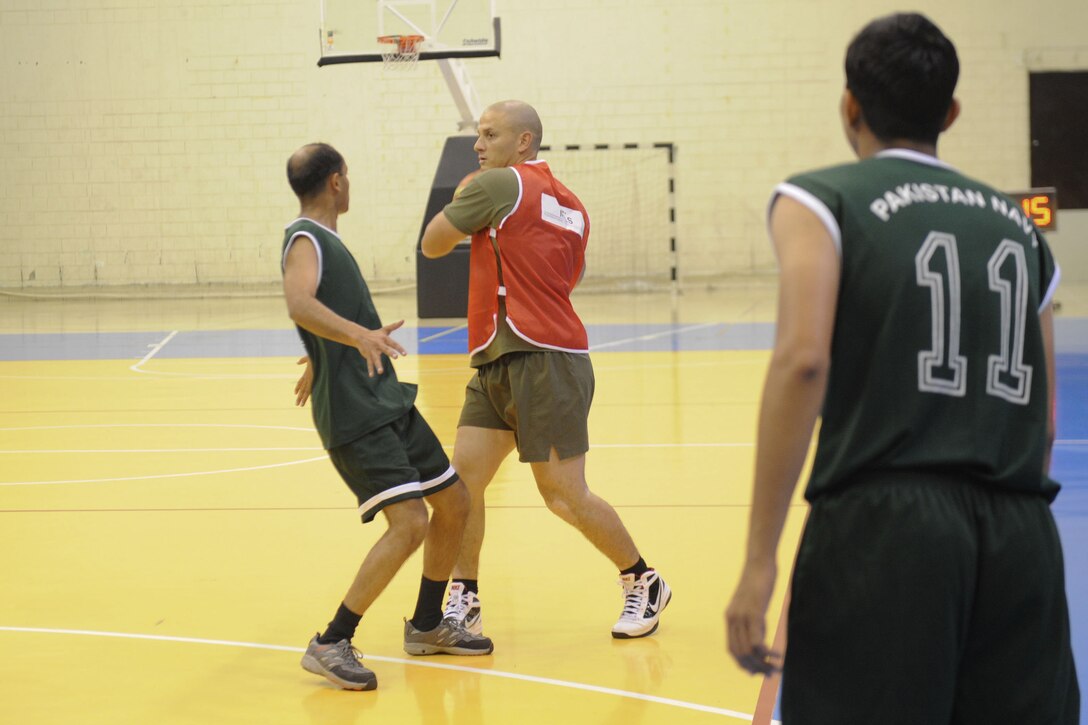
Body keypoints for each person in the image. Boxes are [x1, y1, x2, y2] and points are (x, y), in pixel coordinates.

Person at [725, 13, 1079, 723]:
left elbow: (801, 362)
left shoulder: (819, 199)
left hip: (885, 530)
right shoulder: (1020, 228)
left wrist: (760, 560)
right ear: (950, 112)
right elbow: (1043, 421)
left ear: (849, 105)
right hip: (1020, 532)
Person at [420, 100, 671, 640]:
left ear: (524, 142)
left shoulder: (493, 185)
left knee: (562, 494)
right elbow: (565, 276)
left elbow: (433, 243)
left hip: (544, 362)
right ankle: (465, 598)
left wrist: (468, 202)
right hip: (500, 356)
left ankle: (643, 579)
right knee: (462, 486)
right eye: (477, 136)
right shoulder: (573, 205)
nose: (478, 145)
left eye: (489, 135)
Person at [281, 142, 493, 692]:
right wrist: (353, 337)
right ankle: (332, 640)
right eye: (347, 176)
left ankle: (426, 625)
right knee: (410, 523)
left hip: (384, 398)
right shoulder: (305, 237)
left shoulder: (327, 240)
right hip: (356, 414)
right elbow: (299, 302)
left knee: (454, 501)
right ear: (335, 182)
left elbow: (319, 313)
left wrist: (321, 352)